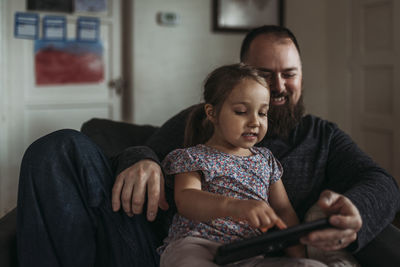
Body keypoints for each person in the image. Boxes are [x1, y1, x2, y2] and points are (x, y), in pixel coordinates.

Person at [17, 25, 400, 267]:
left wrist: (357, 213)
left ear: (301, 75)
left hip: (252, 255)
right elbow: (144, 148)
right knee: (59, 147)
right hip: (165, 247)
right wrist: (143, 159)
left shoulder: (323, 137)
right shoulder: (201, 121)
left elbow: (380, 181)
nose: (280, 86)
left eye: (290, 73)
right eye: (266, 75)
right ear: (243, 77)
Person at [158, 63, 319, 266]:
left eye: (262, 113)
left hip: (248, 254)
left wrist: (299, 257)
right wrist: (235, 207)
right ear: (212, 113)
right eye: (241, 112)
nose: (255, 122)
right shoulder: (193, 157)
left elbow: (283, 210)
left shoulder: (265, 160)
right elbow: (186, 200)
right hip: (195, 246)